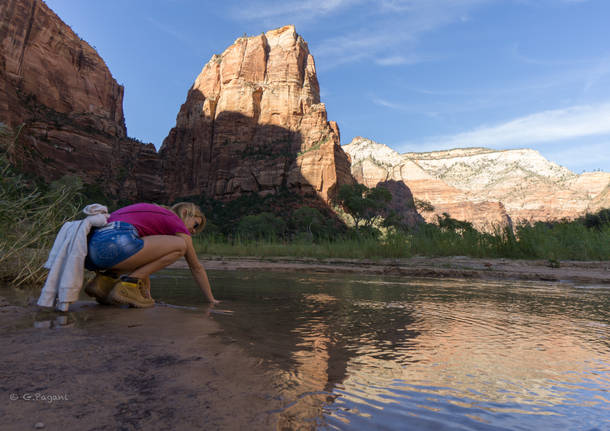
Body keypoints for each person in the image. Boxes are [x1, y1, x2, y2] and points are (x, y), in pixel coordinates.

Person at [83, 202, 218, 308]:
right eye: (195, 224)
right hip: (117, 240)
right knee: (181, 245)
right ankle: (129, 284)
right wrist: (211, 300)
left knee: (137, 246)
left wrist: (147, 296)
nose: (193, 231)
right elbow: (196, 267)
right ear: (185, 212)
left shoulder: (155, 215)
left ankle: (103, 282)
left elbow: (145, 258)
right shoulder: (175, 220)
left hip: (92, 250)